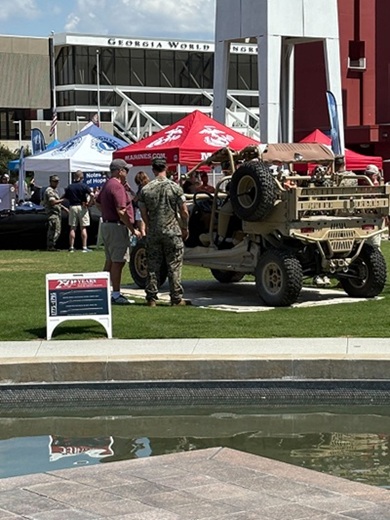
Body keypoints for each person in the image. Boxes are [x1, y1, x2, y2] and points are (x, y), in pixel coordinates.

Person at [138, 157, 190, 307]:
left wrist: (149, 225)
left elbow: (143, 212)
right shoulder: (175, 187)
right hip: (172, 231)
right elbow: (184, 211)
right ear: (166, 168)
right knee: (174, 265)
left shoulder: (146, 189)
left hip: (154, 231)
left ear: (153, 169)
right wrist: (185, 227)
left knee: (153, 265)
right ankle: (176, 297)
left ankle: (152, 298)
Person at [95, 158, 141, 305]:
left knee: (110, 261)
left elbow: (97, 202)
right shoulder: (117, 186)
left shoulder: (108, 184)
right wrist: (132, 228)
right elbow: (121, 211)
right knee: (118, 261)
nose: (127, 172)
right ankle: (115, 294)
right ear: (120, 171)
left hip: (107, 225)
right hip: (117, 227)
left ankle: (102, 291)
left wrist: (106, 213)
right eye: (126, 170)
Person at [64, 170, 94, 253]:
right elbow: (92, 195)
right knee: (83, 227)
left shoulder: (70, 187)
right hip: (82, 206)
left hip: (72, 206)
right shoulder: (84, 186)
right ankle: (84, 247)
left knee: (72, 227)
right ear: (81, 177)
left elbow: (65, 197)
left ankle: (71, 247)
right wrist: (90, 203)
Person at [42, 175, 66, 251]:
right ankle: (50, 246)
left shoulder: (55, 190)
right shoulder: (49, 191)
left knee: (57, 230)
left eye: (57, 181)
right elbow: (52, 202)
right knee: (54, 230)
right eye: (55, 181)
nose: (56, 183)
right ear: (51, 182)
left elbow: (57, 203)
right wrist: (62, 200)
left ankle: (52, 245)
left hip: (57, 213)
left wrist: (64, 208)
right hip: (52, 213)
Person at [133, 171, 150, 237]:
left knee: (142, 229)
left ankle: (144, 242)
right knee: (147, 227)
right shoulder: (149, 186)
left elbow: (137, 198)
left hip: (140, 209)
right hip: (148, 209)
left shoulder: (141, 188)